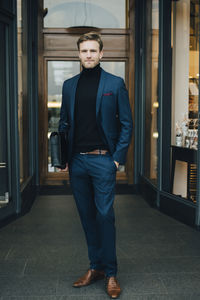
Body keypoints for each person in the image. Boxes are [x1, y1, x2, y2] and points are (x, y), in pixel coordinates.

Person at [58, 31, 133, 299]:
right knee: (87, 217)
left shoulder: (115, 83)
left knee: (104, 216)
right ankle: (95, 268)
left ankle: (111, 273)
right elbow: (64, 123)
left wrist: (116, 159)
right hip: (77, 162)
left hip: (103, 160)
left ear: (101, 54)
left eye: (93, 51)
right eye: (84, 51)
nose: (88, 55)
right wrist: (63, 157)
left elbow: (127, 124)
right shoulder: (69, 85)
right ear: (78, 54)